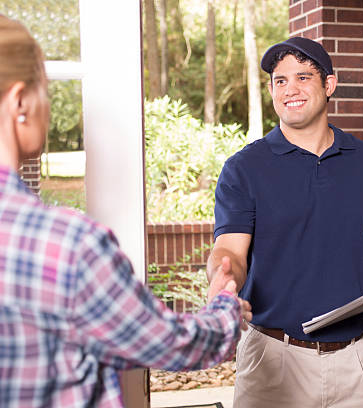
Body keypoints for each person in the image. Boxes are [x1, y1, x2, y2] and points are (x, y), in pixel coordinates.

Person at [0, 15, 252, 408]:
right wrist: (225, 307)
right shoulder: (65, 246)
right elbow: (173, 345)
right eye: (44, 90)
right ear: (19, 103)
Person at [206, 36, 363, 408]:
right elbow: (229, 250)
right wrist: (224, 279)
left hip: (358, 359)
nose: (290, 89)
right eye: (280, 80)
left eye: (303, 77)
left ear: (329, 85)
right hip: (274, 359)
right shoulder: (244, 169)